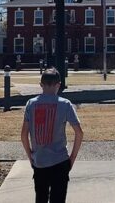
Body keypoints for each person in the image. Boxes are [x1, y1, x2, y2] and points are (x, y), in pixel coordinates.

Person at [21, 67, 83, 203]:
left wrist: (30, 155)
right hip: (60, 160)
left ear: (41, 85)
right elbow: (79, 133)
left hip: (39, 161)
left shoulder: (31, 104)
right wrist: (72, 158)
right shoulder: (65, 104)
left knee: (40, 198)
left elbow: (24, 135)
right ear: (58, 85)